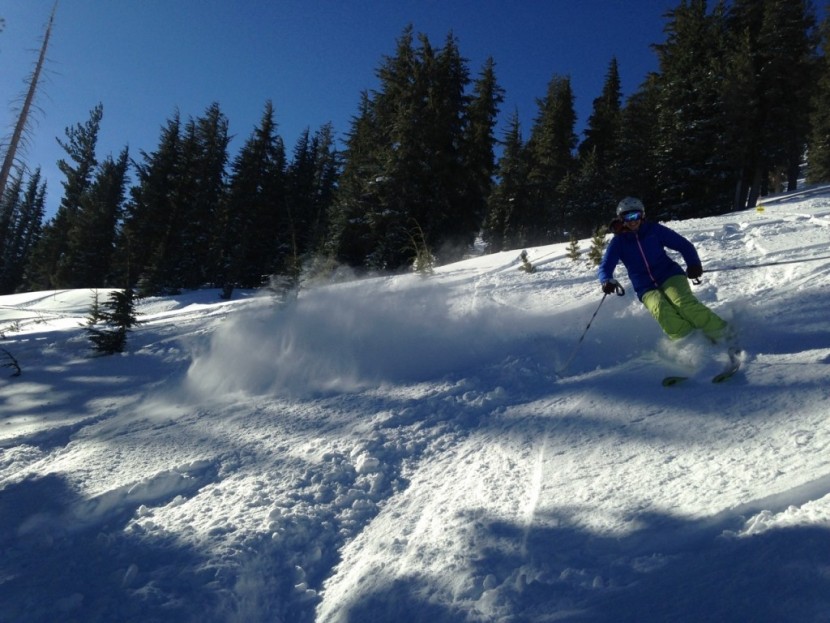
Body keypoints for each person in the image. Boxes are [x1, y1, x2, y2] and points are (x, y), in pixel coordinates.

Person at [597, 197, 729, 343]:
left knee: (682, 303)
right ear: (621, 219)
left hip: (669, 274)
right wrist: (606, 280)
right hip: (644, 285)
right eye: (628, 217)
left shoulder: (654, 230)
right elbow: (605, 266)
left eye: (636, 216)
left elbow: (684, 245)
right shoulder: (618, 242)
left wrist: (693, 264)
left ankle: (722, 332)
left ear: (642, 215)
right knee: (661, 309)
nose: (633, 221)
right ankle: (691, 341)